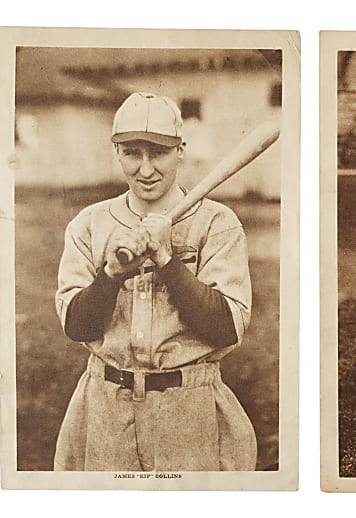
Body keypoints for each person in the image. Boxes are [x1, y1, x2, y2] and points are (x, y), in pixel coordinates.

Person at [54, 92, 255, 471]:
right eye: (132, 153)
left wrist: (167, 259)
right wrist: (110, 274)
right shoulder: (89, 224)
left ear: (180, 150)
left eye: (158, 153)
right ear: (117, 153)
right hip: (105, 407)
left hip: (188, 407)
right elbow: (76, 325)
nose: (145, 169)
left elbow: (225, 328)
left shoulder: (216, 223)